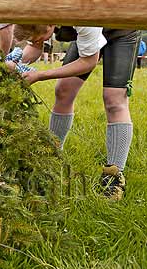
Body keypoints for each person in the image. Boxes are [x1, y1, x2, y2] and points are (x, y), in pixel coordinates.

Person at [12, 24, 140, 201]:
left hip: (121, 32)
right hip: (88, 35)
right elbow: (35, 45)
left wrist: (40, 75)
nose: (38, 41)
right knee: (63, 90)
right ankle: (53, 158)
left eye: (39, 37)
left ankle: (114, 176)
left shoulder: (82, 20)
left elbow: (88, 62)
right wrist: (13, 63)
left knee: (114, 99)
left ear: (49, 24)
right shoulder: (40, 14)